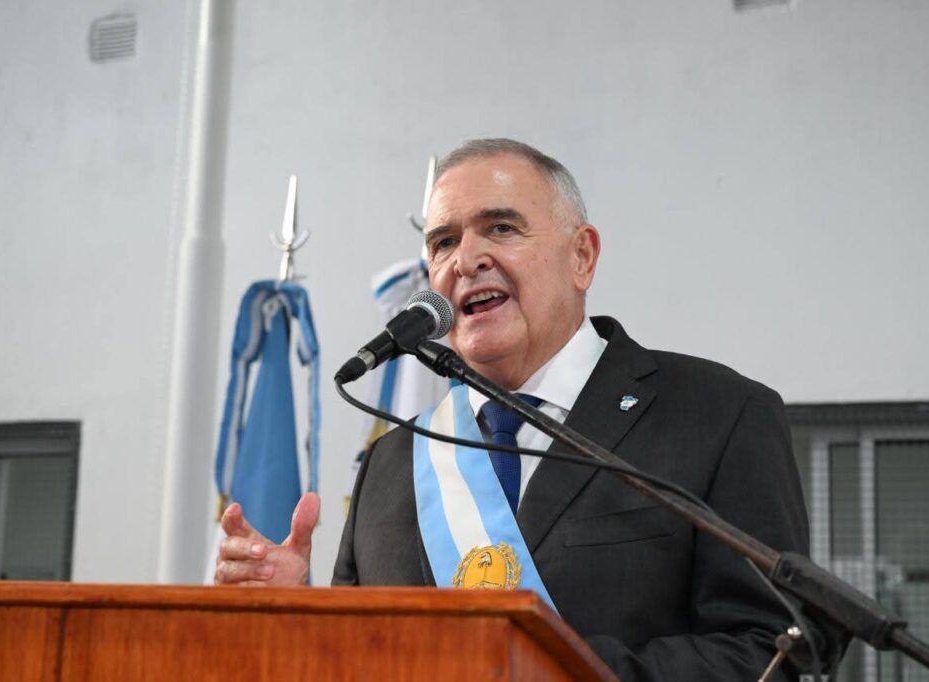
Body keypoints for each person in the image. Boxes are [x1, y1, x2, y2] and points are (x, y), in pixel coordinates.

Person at [216, 138, 811, 680]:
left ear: (582, 257)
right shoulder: (391, 463)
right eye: (443, 242)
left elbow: (774, 651)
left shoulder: (719, 415)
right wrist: (299, 619)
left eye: (500, 228)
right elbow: (357, 663)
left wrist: (544, 669)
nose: (465, 259)